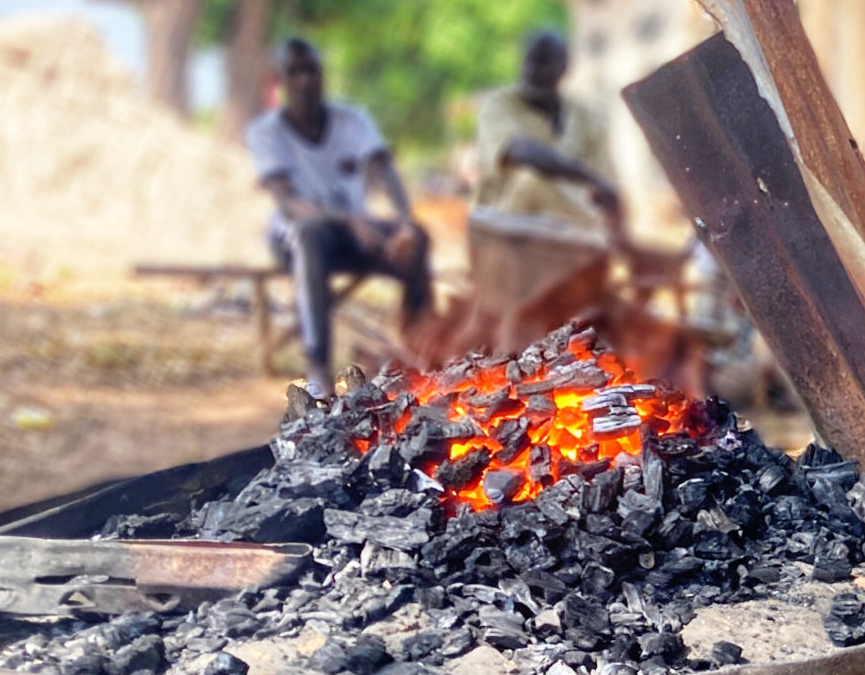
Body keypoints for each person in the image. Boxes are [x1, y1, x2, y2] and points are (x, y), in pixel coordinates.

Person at [247, 37, 432, 399]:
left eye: (311, 70)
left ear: (322, 75)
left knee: (419, 237)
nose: (304, 79)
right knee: (309, 233)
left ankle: (421, 354)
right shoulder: (266, 132)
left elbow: (384, 169)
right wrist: (349, 221)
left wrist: (405, 223)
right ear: (280, 80)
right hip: (298, 238)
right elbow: (287, 202)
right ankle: (317, 366)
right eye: (294, 72)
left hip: (355, 236)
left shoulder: (352, 120)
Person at [473, 30, 628, 240]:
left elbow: (606, 186)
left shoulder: (586, 119)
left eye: (544, 63)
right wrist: (587, 176)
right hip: (507, 222)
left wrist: (608, 198)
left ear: (564, 67)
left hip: (573, 226)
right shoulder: (499, 105)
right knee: (529, 181)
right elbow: (519, 150)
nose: (533, 71)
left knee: (609, 206)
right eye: (530, 61)